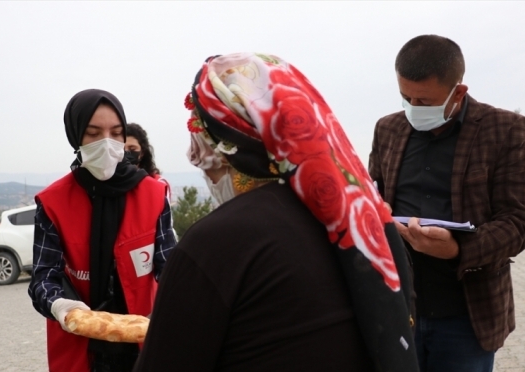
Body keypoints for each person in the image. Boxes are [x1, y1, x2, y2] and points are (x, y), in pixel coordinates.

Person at [133, 53, 419, 372]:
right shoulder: (365, 225)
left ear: (227, 145)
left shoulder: (216, 243)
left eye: (200, 143)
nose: (195, 159)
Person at [368, 35, 525, 372]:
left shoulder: (506, 130)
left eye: (424, 101)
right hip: (399, 310)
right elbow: (374, 196)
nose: (413, 107)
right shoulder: (387, 129)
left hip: (466, 316)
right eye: (406, 97)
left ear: (458, 92)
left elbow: (518, 223)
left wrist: (458, 249)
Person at [27, 89, 177, 372]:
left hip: (143, 343)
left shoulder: (153, 194)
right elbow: (43, 277)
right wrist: (61, 306)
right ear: (76, 137)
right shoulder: (53, 202)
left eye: (116, 132)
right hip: (83, 347)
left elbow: (169, 267)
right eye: (93, 133)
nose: (106, 143)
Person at [124, 122, 172, 202]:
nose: (126, 153)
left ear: (142, 152)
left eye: (132, 149)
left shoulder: (159, 184)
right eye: (121, 149)